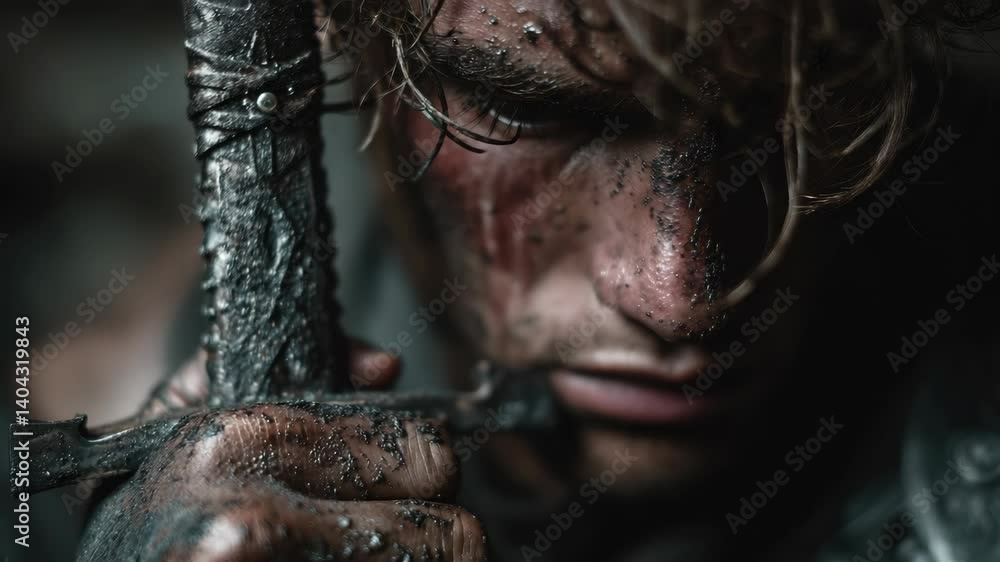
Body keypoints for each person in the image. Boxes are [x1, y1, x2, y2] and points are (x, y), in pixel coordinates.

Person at [79, 1, 1000, 560]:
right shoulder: (109, 419)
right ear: (344, 30)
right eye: (524, 107)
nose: (677, 294)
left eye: (801, 109)